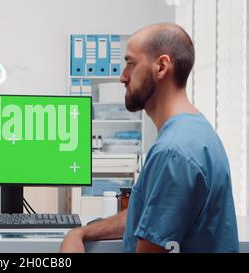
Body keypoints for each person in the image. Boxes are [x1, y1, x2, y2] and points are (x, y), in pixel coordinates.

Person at [61, 23, 239, 253]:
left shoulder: (173, 152)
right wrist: (80, 232)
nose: (122, 77)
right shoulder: (196, 131)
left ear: (161, 66)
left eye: (130, 64)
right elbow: (147, 216)